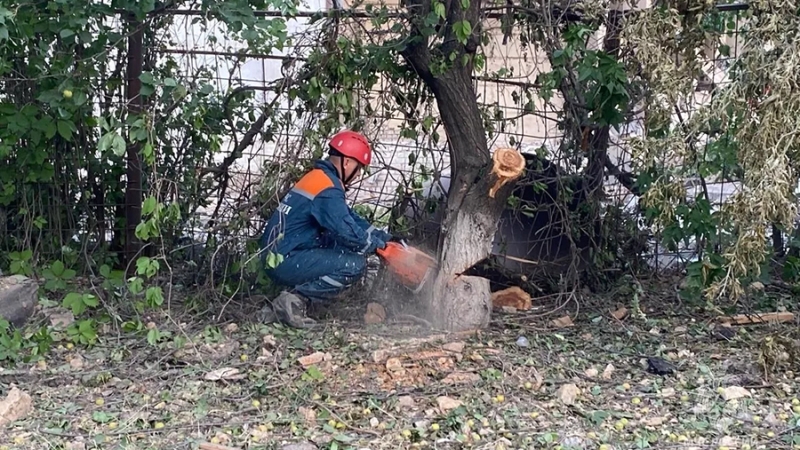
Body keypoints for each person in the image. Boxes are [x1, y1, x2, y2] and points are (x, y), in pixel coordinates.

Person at [258, 130, 395, 328]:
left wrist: (384, 237)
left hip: (282, 253)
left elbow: (350, 218)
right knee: (353, 265)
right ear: (347, 162)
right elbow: (346, 231)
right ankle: (293, 302)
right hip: (286, 259)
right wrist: (376, 246)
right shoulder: (328, 189)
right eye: (358, 168)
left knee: (340, 249)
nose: (357, 176)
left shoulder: (319, 179)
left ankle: (288, 301)